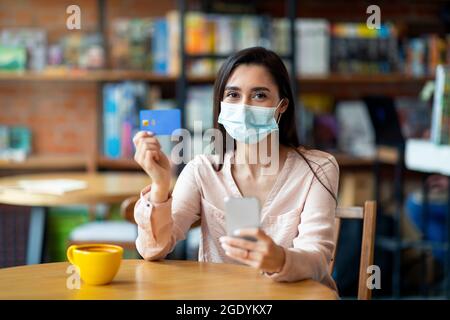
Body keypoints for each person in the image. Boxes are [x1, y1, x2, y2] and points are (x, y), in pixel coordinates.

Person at [133, 47, 339, 291]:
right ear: (221, 104)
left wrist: (280, 259)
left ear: (282, 105)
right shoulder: (202, 171)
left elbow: (317, 260)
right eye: (233, 95)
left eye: (259, 95)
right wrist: (159, 185)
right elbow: (152, 250)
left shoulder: (317, 169)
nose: (244, 106)